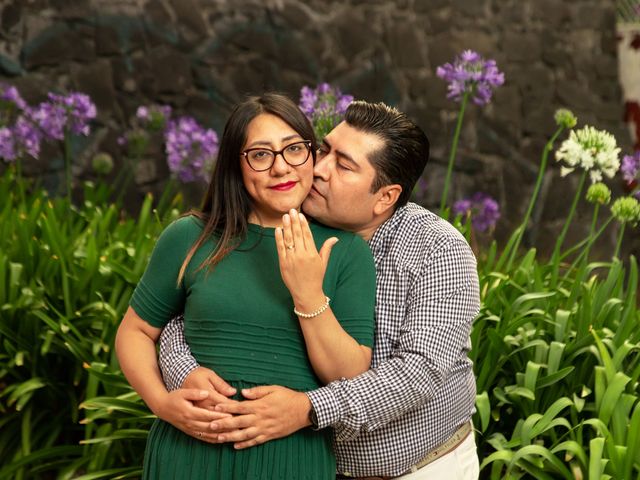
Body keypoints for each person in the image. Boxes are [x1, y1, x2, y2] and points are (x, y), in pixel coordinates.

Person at [160, 100, 481, 479]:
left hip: (420, 467)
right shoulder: (282, 213)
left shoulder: (436, 249)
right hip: (305, 465)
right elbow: (188, 311)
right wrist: (186, 375)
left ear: (385, 197)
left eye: (343, 165)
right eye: (323, 150)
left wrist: (307, 409)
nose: (319, 169)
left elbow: (417, 374)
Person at [115, 93, 377, 480]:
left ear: (312, 155)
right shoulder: (190, 236)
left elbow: (349, 374)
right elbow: (135, 331)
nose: (280, 167)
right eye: (260, 154)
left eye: (294, 150)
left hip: (292, 461)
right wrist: (161, 403)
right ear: (236, 166)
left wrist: (308, 293)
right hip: (186, 457)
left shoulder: (346, 250)